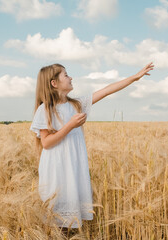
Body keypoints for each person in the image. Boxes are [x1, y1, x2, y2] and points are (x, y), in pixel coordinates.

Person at [30, 63, 154, 229]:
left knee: (71, 221)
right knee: (54, 219)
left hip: (74, 168)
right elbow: (46, 143)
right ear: (54, 83)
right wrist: (70, 125)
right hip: (56, 169)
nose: (71, 77)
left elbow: (107, 90)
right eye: (66, 75)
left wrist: (134, 77)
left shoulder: (77, 105)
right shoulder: (45, 109)